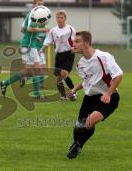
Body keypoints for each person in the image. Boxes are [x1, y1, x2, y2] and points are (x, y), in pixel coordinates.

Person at [66, 31, 123, 159]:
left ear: (86, 43)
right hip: (89, 98)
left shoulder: (103, 57)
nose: (73, 44)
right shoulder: (80, 64)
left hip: (108, 97)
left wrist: (108, 94)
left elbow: (118, 75)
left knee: (90, 121)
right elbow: (87, 82)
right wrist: (74, 89)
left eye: (77, 41)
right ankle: (76, 142)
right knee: (79, 126)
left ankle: (78, 145)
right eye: (74, 41)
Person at [0, 0, 49, 98]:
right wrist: (43, 29)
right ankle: (37, 94)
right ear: (34, 5)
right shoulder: (33, 14)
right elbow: (29, 29)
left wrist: (35, 37)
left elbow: (24, 29)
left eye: (42, 4)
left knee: (27, 71)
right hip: (28, 45)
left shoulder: (36, 15)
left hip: (31, 44)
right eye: (39, 4)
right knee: (37, 69)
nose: (41, 6)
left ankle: (5, 83)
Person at [40, 10, 76, 101]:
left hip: (69, 54)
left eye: (61, 17)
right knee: (58, 77)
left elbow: (75, 40)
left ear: (65, 19)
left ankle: (73, 92)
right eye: (58, 18)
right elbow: (48, 41)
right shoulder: (53, 30)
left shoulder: (70, 29)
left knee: (64, 73)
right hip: (59, 55)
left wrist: (74, 47)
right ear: (56, 19)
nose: (59, 19)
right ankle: (64, 95)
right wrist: (41, 49)